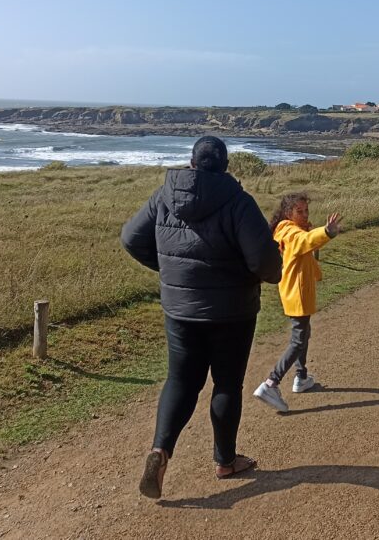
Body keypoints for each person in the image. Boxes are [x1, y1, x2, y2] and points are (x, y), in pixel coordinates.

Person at [121, 136, 282, 499]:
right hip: (232, 312)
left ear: (192, 162)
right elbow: (265, 262)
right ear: (225, 166)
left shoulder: (164, 195)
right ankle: (225, 461)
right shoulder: (239, 201)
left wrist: (170, 272)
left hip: (181, 309)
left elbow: (131, 238)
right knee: (226, 384)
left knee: (180, 379)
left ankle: (160, 451)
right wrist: (263, 275)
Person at [253, 194, 343, 412]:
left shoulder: (285, 229)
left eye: (306, 211)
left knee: (303, 334)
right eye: (299, 211)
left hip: (294, 290)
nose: (304, 215)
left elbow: (304, 244)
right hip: (298, 292)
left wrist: (310, 230)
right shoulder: (291, 232)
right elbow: (304, 242)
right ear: (288, 213)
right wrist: (327, 232)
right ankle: (270, 383)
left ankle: (301, 377)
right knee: (299, 339)